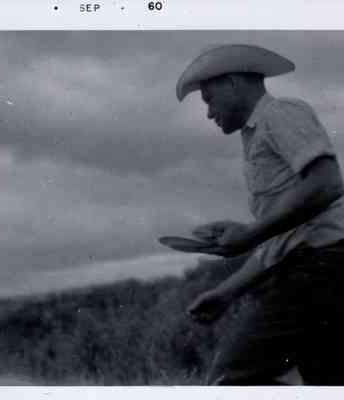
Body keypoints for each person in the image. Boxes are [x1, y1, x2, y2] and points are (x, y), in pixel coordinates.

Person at [176, 44, 344, 385]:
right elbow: (285, 238)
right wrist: (227, 292)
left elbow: (327, 182)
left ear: (233, 83)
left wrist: (251, 233)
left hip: (321, 269)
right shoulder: (256, 136)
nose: (208, 113)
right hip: (316, 270)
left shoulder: (279, 114)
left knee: (230, 380)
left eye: (209, 99)